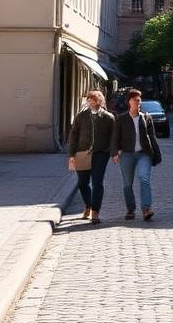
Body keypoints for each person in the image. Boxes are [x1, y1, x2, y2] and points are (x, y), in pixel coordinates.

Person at [112, 89, 161, 222]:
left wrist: (155, 152)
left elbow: (152, 136)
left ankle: (146, 208)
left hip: (143, 154)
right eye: (135, 100)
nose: (137, 102)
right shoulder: (121, 119)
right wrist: (115, 152)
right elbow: (115, 137)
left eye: (139, 100)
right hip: (127, 154)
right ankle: (130, 209)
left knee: (144, 178)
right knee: (128, 184)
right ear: (129, 102)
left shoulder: (146, 117)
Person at [68, 89, 115, 225]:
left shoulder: (108, 117)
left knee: (97, 182)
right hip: (82, 153)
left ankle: (95, 211)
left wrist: (113, 152)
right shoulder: (81, 116)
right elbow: (74, 135)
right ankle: (88, 204)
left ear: (99, 101)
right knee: (82, 183)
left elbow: (113, 137)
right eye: (88, 99)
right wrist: (72, 154)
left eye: (93, 99)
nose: (90, 102)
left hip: (101, 153)